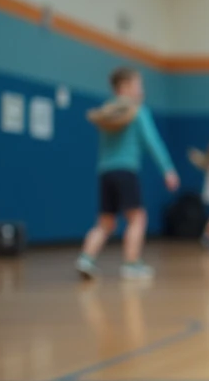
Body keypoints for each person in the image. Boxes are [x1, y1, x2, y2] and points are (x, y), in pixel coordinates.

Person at [76, 67, 178, 280]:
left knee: (105, 223)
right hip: (126, 170)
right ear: (125, 87)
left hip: (105, 172)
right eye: (138, 85)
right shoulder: (137, 111)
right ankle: (131, 263)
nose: (141, 90)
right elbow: (152, 142)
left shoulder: (108, 110)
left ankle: (86, 258)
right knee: (137, 218)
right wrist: (167, 169)